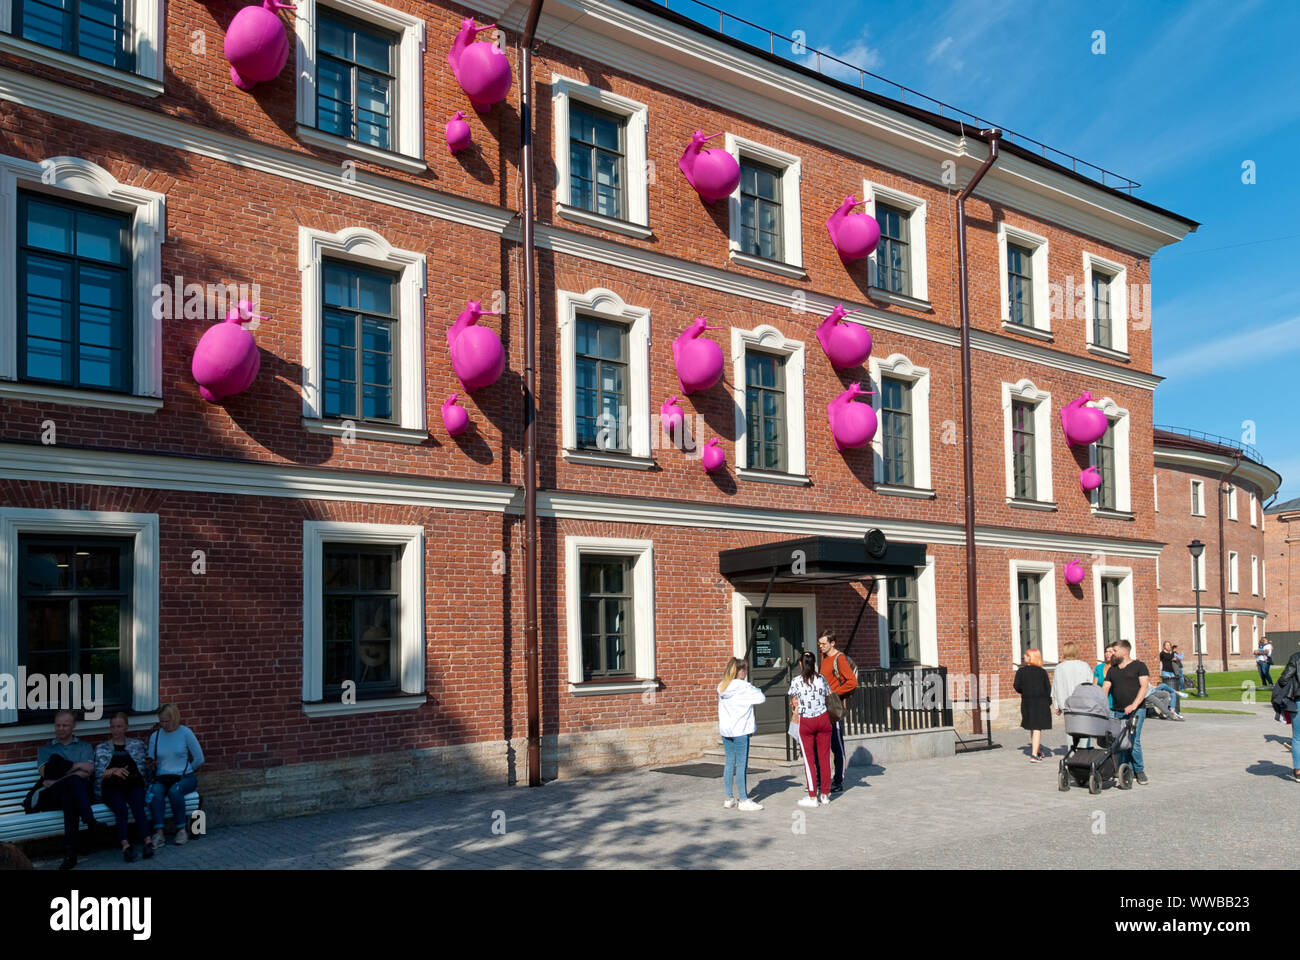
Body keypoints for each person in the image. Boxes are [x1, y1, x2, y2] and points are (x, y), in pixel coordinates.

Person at [35, 710, 101, 870]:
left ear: (73, 726)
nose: (61, 729)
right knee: (74, 783)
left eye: (65, 725)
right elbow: (46, 774)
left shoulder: (84, 747)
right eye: (58, 725)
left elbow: (89, 770)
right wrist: (77, 767)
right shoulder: (45, 750)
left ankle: (71, 854)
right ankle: (90, 822)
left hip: (76, 794)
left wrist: (62, 774)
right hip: (52, 797)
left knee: (69, 798)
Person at [94, 712, 154, 862]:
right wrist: (113, 771)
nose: (116, 730)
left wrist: (151, 765)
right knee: (121, 808)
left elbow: (146, 768)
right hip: (112, 787)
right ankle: (125, 845)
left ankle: (148, 842)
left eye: (119, 726)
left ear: (126, 727)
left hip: (133, 784)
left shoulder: (137, 745)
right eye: (113, 727)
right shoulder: (102, 748)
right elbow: (98, 774)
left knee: (138, 806)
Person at [144, 703, 204, 848]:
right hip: (163, 777)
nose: (164, 725)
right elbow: (150, 759)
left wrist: (186, 769)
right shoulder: (156, 736)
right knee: (156, 792)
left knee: (175, 791)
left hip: (184, 778)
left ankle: (181, 830)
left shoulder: (185, 733)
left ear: (175, 718)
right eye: (161, 721)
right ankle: (159, 833)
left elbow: (199, 758)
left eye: (167, 721)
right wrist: (150, 763)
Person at [717, 657, 766, 811]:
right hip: (741, 730)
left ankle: (728, 797)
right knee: (742, 764)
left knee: (729, 762)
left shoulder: (722, 686)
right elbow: (761, 697)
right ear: (742, 671)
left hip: (726, 730)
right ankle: (744, 799)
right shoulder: (744, 687)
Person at [1101, 639, 1151, 785]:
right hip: (1117, 711)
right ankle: (1125, 769)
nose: (1113, 654)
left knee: (1134, 740)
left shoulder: (1139, 666)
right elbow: (1105, 688)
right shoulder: (1112, 670)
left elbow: (1144, 687)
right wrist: (1100, 704)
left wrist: (1134, 705)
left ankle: (1139, 770)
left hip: (1136, 710)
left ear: (1124, 651)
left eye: (1115, 651)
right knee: (1120, 742)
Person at [788, 650, 832, 808]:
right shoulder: (822, 679)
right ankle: (825, 794)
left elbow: (793, 700)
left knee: (809, 760)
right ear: (814, 664)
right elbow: (828, 695)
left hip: (806, 721)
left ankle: (813, 795)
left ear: (800, 664)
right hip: (823, 719)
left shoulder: (796, 681)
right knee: (824, 758)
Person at [817, 629, 858, 793]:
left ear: (832, 643)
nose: (820, 646)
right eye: (819, 643)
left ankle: (838, 781)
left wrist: (836, 693)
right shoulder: (823, 657)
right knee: (822, 744)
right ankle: (822, 779)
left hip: (834, 707)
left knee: (837, 745)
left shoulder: (839, 658)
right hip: (822, 706)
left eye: (824, 644)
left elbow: (852, 682)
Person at [1014, 648, 1052, 761]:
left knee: (1033, 727)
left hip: (1027, 702)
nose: (1024, 657)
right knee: (1037, 728)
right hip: (1040, 702)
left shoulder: (1021, 671)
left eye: (1026, 655)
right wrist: (1048, 701)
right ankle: (1034, 754)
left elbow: (1017, 686)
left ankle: (1037, 751)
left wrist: (1025, 692)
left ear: (1031, 657)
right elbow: (1047, 688)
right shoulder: (1042, 672)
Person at [1269, 650, 1300, 781]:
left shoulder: (1296, 657)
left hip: (1298, 701)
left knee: (1298, 737)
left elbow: (1284, 679)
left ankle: (1298, 771)